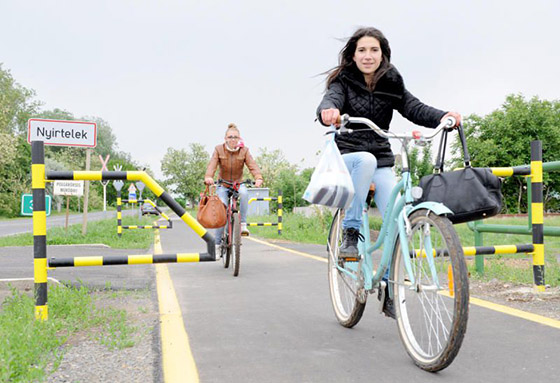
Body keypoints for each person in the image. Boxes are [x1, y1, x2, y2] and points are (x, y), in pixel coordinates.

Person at [316, 27, 461, 318]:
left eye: (374, 50)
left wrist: (443, 116)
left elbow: (412, 106)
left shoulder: (391, 80)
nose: (368, 56)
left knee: (397, 214)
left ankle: (388, 282)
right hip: (350, 156)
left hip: (381, 157)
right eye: (362, 50)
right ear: (353, 55)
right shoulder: (343, 81)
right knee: (366, 161)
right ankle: (351, 231)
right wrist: (329, 111)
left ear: (382, 54)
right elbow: (329, 100)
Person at [205, 123, 263, 254]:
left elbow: (252, 165)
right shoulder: (219, 149)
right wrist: (209, 177)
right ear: (225, 138)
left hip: (238, 183)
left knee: (244, 193)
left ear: (239, 138)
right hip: (223, 185)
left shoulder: (244, 150)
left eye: (235, 137)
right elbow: (212, 165)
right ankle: (218, 243)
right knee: (222, 208)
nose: (233, 139)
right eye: (230, 137)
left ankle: (242, 224)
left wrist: (258, 177)